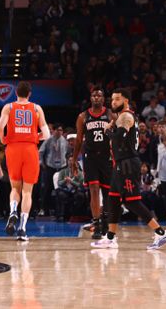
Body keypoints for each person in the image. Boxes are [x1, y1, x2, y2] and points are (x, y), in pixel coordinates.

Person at [91, 88, 166, 250]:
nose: (113, 102)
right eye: (112, 99)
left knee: (132, 202)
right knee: (113, 199)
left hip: (128, 164)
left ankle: (161, 233)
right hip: (120, 164)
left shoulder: (126, 116)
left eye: (117, 99)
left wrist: (108, 131)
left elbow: (119, 140)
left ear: (126, 101)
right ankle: (110, 238)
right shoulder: (122, 117)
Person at [0, 81, 51, 242]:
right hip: (30, 149)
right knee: (28, 191)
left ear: (16, 93)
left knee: (15, 187)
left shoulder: (9, 107)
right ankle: (22, 228)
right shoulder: (36, 108)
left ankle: (13, 210)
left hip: (13, 149)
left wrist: (3, 139)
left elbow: (0, 128)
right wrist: (36, 136)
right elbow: (46, 134)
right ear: (29, 94)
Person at [72, 87, 113, 239]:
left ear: (103, 99)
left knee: (107, 192)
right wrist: (74, 159)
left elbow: (116, 136)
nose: (96, 98)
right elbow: (78, 139)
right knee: (94, 189)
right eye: (94, 95)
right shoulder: (83, 116)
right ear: (90, 98)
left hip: (106, 157)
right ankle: (96, 223)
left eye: (99, 95)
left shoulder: (110, 114)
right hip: (90, 157)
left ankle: (106, 220)